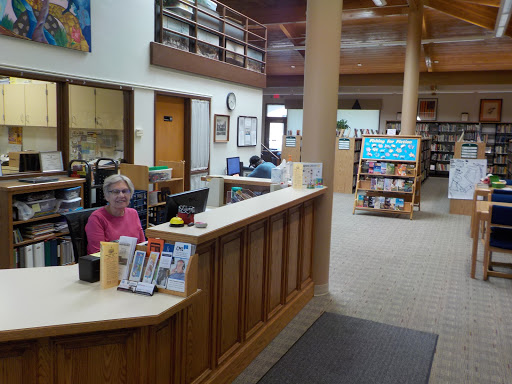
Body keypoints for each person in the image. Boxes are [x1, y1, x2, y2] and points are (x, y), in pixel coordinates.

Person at [85, 174, 146, 254]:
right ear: (107, 196)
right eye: (115, 192)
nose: (121, 195)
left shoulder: (133, 213)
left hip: (131, 262)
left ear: (130, 194)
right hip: (107, 264)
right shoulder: (96, 218)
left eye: (125, 191)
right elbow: (97, 253)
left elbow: (142, 245)